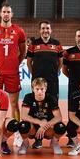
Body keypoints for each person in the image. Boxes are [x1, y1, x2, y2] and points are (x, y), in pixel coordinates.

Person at [0, 2, 27, 148]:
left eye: (8, 12)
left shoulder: (19, 31)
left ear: (12, 14)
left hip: (12, 73)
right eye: (4, 12)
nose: (6, 14)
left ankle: (17, 134)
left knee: (14, 104)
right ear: (0, 14)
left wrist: (15, 63)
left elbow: (23, 51)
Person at [26, 20, 63, 149]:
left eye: (47, 28)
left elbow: (60, 62)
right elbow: (29, 62)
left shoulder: (57, 44)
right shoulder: (34, 44)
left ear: (50, 30)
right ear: (39, 30)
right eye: (43, 28)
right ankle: (38, 139)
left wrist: (54, 73)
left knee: (52, 109)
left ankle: (53, 139)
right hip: (37, 82)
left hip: (52, 82)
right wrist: (35, 75)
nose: (45, 30)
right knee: (37, 110)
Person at [18, 77, 66, 155]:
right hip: (32, 128)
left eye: (42, 89)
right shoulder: (28, 97)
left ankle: (54, 143)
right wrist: (40, 122)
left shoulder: (51, 98)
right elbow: (23, 116)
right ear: (33, 89)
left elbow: (58, 117)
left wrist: (44, 126)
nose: (40, 92)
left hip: (47, 129)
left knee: (61, 127)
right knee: (22, 125)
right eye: (37, 89)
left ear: (45, 89)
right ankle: (25, 144)